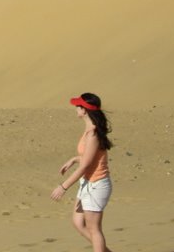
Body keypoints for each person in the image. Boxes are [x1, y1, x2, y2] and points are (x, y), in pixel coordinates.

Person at [50, 92, 114, 252]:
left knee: (94, 229)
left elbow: (85, 165)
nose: (75, 108)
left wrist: (63, 187)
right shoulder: (90, 130)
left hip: (96, 185)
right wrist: (74, 159)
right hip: (88, 183)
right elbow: (90, 157)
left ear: (84, 110)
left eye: (78, 106)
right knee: (78, 223)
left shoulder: (92, 134)